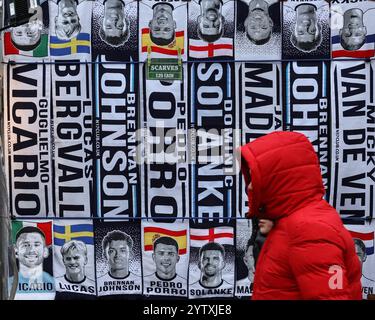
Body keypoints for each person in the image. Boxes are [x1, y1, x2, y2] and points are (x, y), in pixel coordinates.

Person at [238, 131, 362, 299]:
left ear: (278, 178)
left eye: (256, 177)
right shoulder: (292, 221)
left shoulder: (310, 229)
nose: (250, 186)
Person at [14, 226, 54, 293]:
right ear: (16, 251)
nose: (31, 250)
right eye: (25, 245)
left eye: (36, 245)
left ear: (45, 251)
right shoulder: (6, 285)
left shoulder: (56, 284)